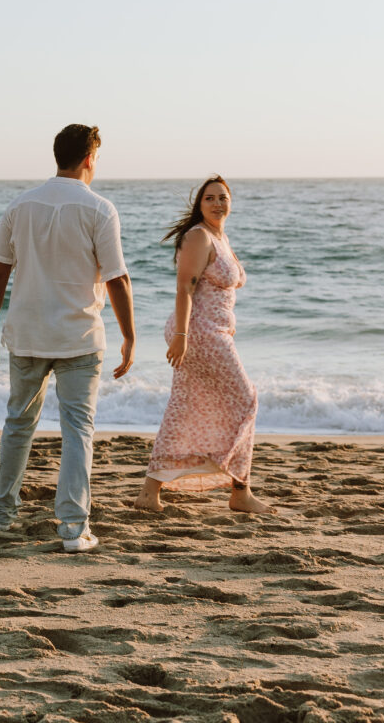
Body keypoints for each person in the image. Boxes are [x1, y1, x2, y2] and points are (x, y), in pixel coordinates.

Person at [0, 124, 135, 553]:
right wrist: (129, 337)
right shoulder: (100, 209)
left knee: (17, 424)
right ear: (89, 159)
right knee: (78, 430)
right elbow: (118, 279)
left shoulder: (21, 204)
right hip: (80, 336)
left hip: (26, 333)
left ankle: (1, 515)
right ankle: (71, 527)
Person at [135, 176, 275, 514]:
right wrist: (181, 336)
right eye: (210, 198)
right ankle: (240, 492)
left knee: (184, 405)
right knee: (246, 398)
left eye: (223, 198)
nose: (217, 203)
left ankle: (149, 493)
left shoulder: (220, 237)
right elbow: (185, 287)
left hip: (216, 332)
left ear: (231, 202)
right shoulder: (198, 236)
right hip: (198, 332)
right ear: (200, 204)